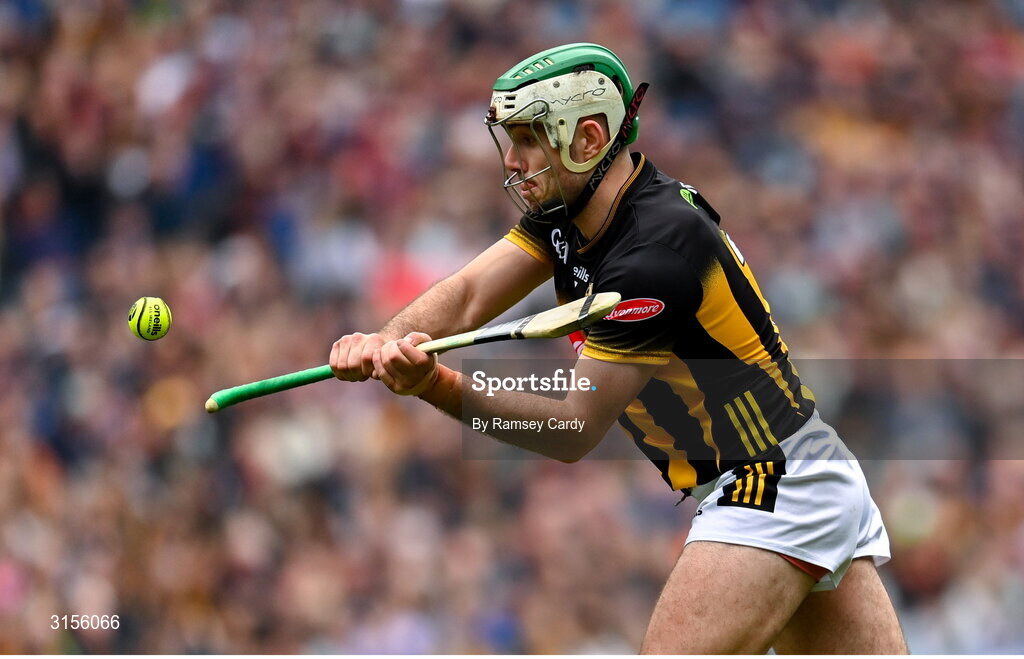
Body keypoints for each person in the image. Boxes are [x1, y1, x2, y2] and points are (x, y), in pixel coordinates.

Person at [329, 43, 907, 654]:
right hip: (802, 470)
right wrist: (387, 338)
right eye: (511, 139)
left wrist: (434, 386)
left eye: (530, 138)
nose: (514, 160)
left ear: (587, 139)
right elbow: (469, 292)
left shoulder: (653, 257)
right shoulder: (571, 215)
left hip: (772, 482)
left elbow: (573, 428)